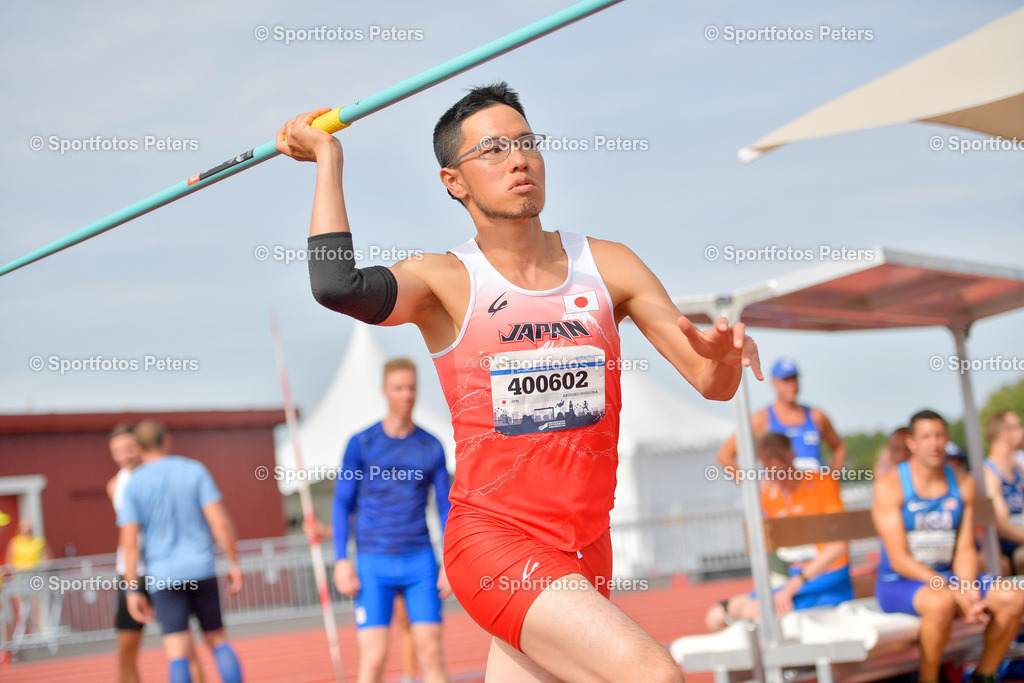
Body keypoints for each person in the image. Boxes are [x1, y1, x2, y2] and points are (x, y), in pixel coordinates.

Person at [276, 82, 761, 681]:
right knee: (653, 674)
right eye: (494, 149)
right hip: (495, 543)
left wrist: (725, 357)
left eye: (527, 142)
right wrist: (328, 160)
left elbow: (712, 384)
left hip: (586, 549)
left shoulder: (610, 265)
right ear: (455, 181)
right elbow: (337, 288)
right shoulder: (445, 280)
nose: (518, 158)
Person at [308, 358, 451, 683]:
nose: (406, 395)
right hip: (373, 564)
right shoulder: (362, 444)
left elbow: (446, 507)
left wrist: (449, 561)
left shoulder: (431, 446)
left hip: (420, 562)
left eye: (411, 388)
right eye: (398, 388)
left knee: (432, 654)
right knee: (373, 659)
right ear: (385, 391)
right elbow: (343, 503)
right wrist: (342, 560)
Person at [873, 409, 1024, 683]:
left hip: (948, 578)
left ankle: (984, 675)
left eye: (940, 435)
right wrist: (951, 588)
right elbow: (898, 559)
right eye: (926, 436)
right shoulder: (890, 486)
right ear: (912, 442)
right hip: (901, 582)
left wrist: (967, 589)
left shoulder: (963, 483)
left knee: (1013, 596)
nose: (934, 443)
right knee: (941, 603)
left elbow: (965, 549)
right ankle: (929, 678)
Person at [118, 420, 244, 683]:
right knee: (217, 640)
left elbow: (129, 544)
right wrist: (234, 562)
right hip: (202, 568)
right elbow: (219, 522)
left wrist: (132, 589)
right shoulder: (194, 470)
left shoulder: (133, 484)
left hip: (163, 576)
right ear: (166, 441)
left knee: (177, 652)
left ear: (138, 447)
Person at [706, 433, 852, 630]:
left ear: (792, 456)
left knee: (753, 612)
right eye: (770, 469)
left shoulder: (822, 482)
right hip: (792, 581)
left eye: (782, 469)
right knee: (716, 616)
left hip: (826, 581)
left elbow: (839, 545)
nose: (778, 476)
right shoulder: (768, 494)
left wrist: (796, 583)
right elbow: (724, 458)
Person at [107, 424, 204, 683]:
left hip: (163, 570)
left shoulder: (163, 476)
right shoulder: (115, 485)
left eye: (129, 449)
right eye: (117, 451)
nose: (124, 455)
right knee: (126, 648)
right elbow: (128, 537)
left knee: (183, 647)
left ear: (139, 447)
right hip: (132, 572)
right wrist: (130, 584)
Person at [717, 357, 845, 474]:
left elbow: (839, 447)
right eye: (786, 380)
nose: (792, 385)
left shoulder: (816, 416)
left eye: (794, 378)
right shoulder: (761, 419)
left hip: (814, 494)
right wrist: (754, 488)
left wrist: (831, 480)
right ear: (774, 382)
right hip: (781, 495)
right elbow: (725, 455)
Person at [982, 411, 1024, 575]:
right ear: (1006, 434)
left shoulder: (1018, 469)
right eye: (1019, 426)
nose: (1022, 431)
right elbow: (1001, 525)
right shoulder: (989, 474)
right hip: (1003, 550)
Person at [4, 518, 52, 634]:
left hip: (34, 577)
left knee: (35, 606)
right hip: (20, 578)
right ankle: (24, 632)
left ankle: (38, 631)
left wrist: (41, 565)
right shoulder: (15, 542)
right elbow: (9, 561)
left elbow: (48, 557)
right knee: (21, 608)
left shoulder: (38, 541)